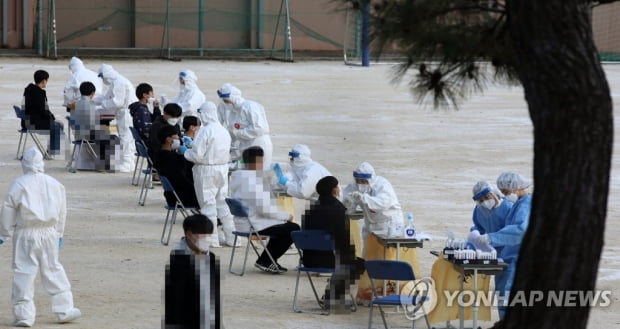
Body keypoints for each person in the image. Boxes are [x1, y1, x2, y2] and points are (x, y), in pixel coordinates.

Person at [0, 147, 81, 327]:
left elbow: (8, 209)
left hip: (26, 233)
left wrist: (4, 233)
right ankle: (64, 308)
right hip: (50, 232)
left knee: (24, 271)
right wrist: (59, 233)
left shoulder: (19, 184)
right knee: (53, 269)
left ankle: (24, 315)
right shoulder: (55, 183)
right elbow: (62, 211)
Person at [468, 171, 532, 319]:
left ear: (516, 188)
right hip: (505, 257)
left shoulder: (524, 204)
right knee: (504, 294)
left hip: (516, 257)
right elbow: (478, 226)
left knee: (510, 295)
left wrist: (491, 238)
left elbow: (520, 230)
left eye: (505, 192)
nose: (504, 195)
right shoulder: (517, 205)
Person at [230, 146, 299, 273]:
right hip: (253, 224)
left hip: (242, 222)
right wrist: (285, 216)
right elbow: (264, 209)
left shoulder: (238, 176)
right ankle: (267, 260)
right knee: (292, 228)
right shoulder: (252, 180)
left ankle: (266, 259)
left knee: (283, 227)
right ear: (258, 161)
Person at [302, 176, 365, 312]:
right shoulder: (338, 210)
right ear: (334, 190)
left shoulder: (311, 210)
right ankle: (332, 297)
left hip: (308, 259)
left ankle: (330, 295)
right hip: (328, 259)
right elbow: (344, 242)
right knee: (356, 263)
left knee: (346, 260)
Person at [184, 102, 237, 248]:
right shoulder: (223, 130)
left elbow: (197, 156)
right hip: (222, 169)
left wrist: (186, 151)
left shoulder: (204, 131)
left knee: (208, 206)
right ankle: (233, 239)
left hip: (205, 170)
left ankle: (212, 240)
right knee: (223, 205)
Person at [164, 214, 221, 329]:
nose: (207, 241)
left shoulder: (211, 257)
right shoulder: (179, 260)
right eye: (203, 237)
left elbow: (213, 296)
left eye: (209, 236)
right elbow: (177, 301)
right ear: (189, 235)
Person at [216, 83, 273, 168]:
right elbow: (233, 132)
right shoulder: (233, 112)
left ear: (233, 98)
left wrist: (238, 133)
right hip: (245, 146)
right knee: (247, 174)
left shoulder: (250, 107)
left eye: (227, 101)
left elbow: (259, 128)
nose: (226, 103)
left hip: (259, 144)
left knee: (258, 174)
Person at [94, 64, 137, 172]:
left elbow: (117, 102)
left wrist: (102, 105)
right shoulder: (116, 82)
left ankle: (127, 163)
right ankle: (129, 160)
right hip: (123, 113)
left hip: (126, 113)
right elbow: (107, 97)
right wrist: (93, 99)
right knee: (126, 136)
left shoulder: (119, 83)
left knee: (126, 137)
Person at [71, 81, 118, 171]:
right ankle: (103, 165)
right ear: (92, 93)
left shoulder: (75, 104)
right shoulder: (90, 105)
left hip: (78, 134)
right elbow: (93, 124)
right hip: (87, 135)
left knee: (105, 132)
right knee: (112, 137)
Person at [22, 69, 64, 157]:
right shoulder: (39, 93)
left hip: (27, 121)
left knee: (57, 125)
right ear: (44, 81)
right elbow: (43, 111)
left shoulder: (29, 89)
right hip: (33, 122)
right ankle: (52, 153)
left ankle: (51, 151)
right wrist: (53, 119)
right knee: (58, 126)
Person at [156, 125, 199, 208]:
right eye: (176, 136)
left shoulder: (161, 155)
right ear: (168, 139)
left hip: (173, 196)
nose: (179, 138)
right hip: (181, 197)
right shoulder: (169, 159)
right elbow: (182, 179)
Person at [470, 180, 513, 254]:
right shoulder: (479, 210)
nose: (485, 202)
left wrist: (491, 238)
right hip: (491, 250)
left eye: (487, 197)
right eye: (481, 200)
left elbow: (512, 233)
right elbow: (479, 227)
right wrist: (474, 234)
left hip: (509, 250)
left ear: (494, 193)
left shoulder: (508, 208)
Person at [148, 103, 182, 168]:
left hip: (171, 154)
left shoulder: (176, 126)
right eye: (172, 116)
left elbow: (180, 140)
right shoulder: (157, 125)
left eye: (176, 117)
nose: (174, 119)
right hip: (158, 156)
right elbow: (154, 144)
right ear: (165, 113)